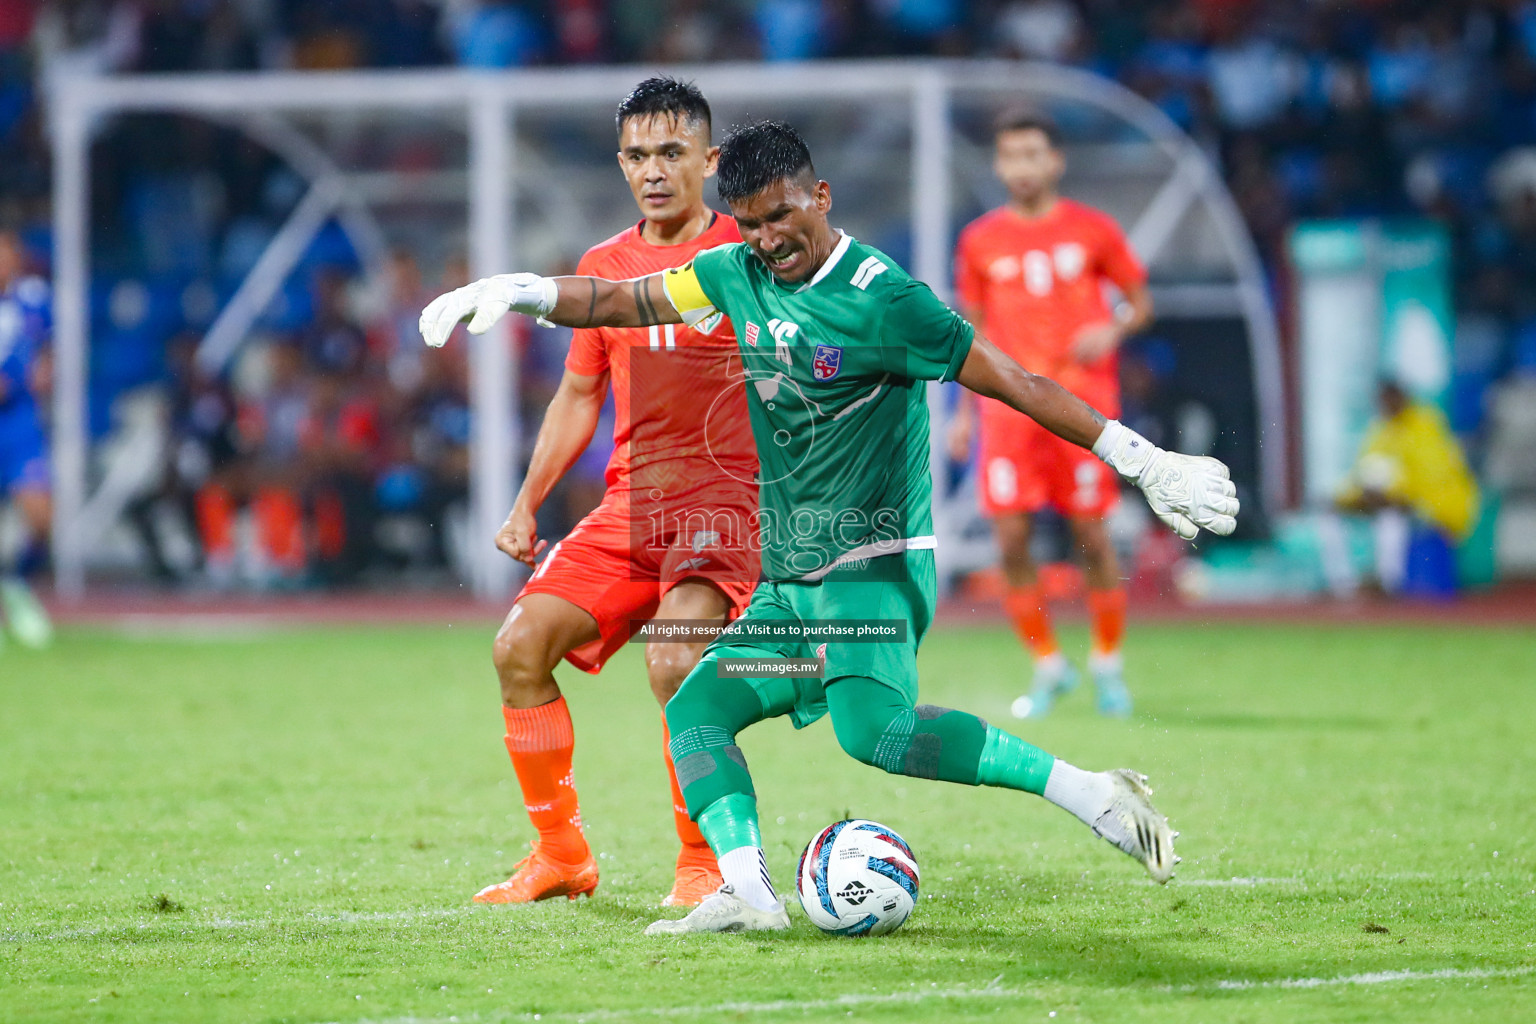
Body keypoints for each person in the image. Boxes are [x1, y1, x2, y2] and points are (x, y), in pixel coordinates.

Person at [419, 120, 1238, 935]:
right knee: (696, 709)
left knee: (874, 734)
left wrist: (1144, 461)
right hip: (790, 576)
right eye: (750, 223)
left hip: (872, 562)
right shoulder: (735, 272)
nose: (769, 240)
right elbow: (624, 300)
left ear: (821, 196)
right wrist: (526, 290)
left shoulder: (884, 297)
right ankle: (747, 894)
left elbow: (1016, 381)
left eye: (782, 216)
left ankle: (1091, 792)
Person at [463, 77, 759, 907]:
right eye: (637, 155)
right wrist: (527, 501)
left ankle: (702, 864)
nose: (653, 171)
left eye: (671, 153)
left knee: (674, 660)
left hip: (726, 510)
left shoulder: (751, 254)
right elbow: (579, 396)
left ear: (711, 159)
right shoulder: (603, 267)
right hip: (633, 509)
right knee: (518, 649)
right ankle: (562, 856)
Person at [950, 111, 1153, 719]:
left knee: (1092, 535)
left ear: (1055, 161)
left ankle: (1108, 666)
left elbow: (1140, 303)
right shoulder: (980, 240)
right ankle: (1048, 665)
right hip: (1009, 415)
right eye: (1011, 156)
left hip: (1084, 409)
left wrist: (1110, 328)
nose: (1023, 167)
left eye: (1033, 154)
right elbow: (973, 334)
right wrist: (964, 414)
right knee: (1011, 540)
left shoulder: (1093, 230)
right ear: (999, 165)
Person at [1325, 380, 1479, 597]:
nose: (1386, 405)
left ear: (1404, 398)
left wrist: (1394, 496)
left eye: (1391, 399)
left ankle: (1390, 584)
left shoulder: (1425, 425)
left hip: (1434, 505)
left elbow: (1431, 477)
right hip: (1389, 500)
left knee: (1391, 516)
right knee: (1331, 516)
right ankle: (1344, 585)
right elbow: (1362, 471)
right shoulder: (1380, 429)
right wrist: (1348, 499)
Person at [0, 228, 54, 651]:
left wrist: (45, 369)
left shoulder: (33, 299)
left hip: (18, 423)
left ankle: (16, 585)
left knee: (40, 517)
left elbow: (47, 349)